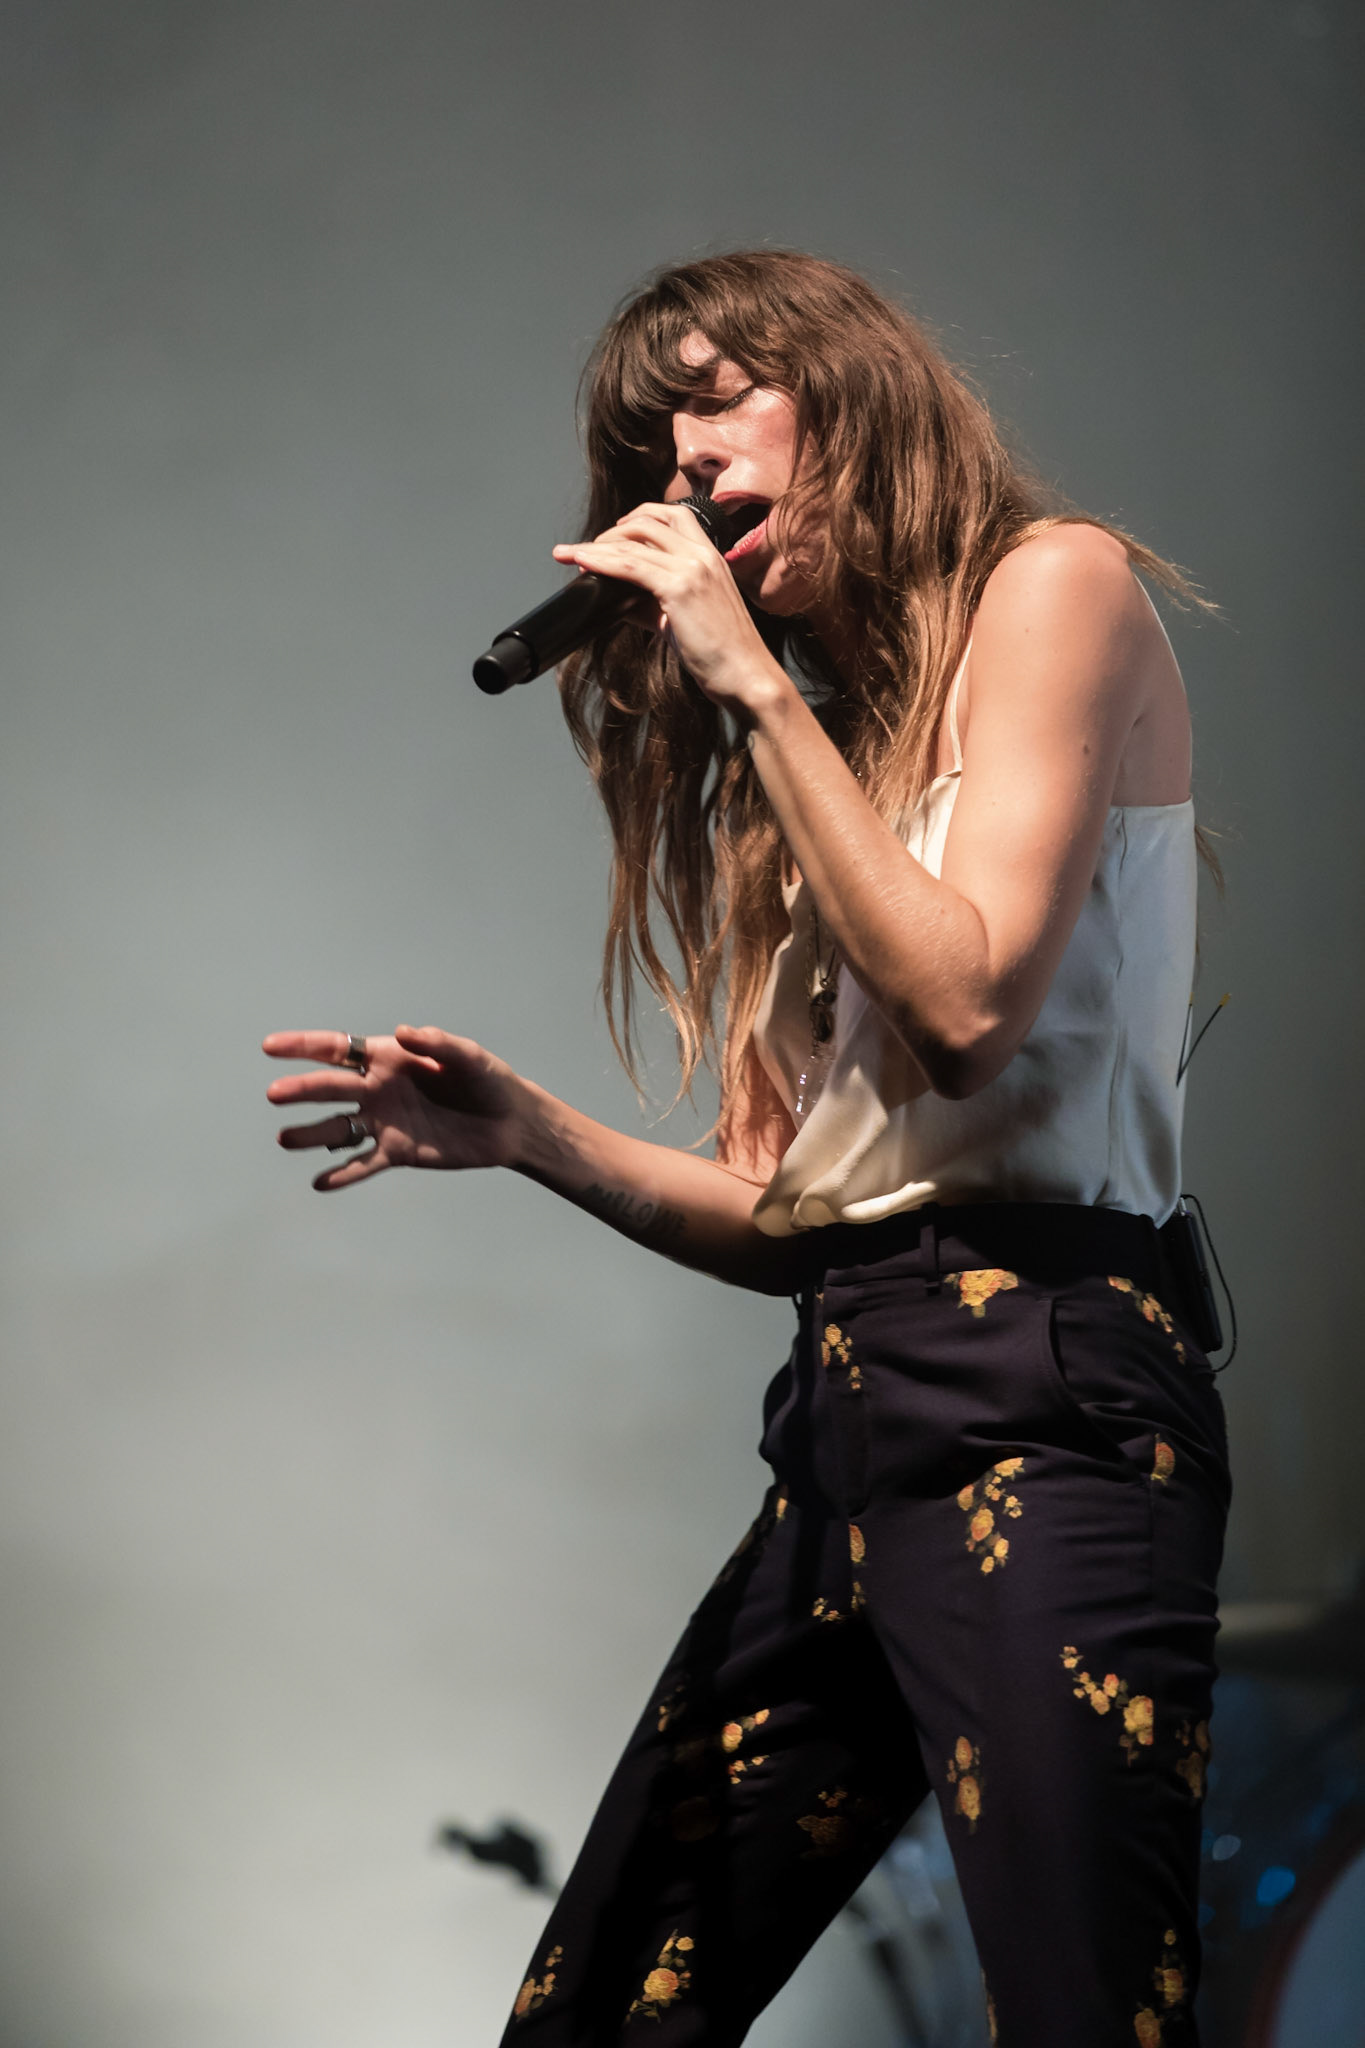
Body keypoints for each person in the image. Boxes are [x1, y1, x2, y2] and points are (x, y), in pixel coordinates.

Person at [264, 251, 1230, 2046]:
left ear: (853, 392)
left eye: (716, 402)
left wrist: (751, 693)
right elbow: (803, 1223)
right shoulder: (804, 765)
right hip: (851, 1421)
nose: (684, 467)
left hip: (1052, 1391)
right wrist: (532, 1133)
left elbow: (964, 1012)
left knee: (1086, 2011)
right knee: (600, 2011)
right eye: (651, 442)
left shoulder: (1053, 589)